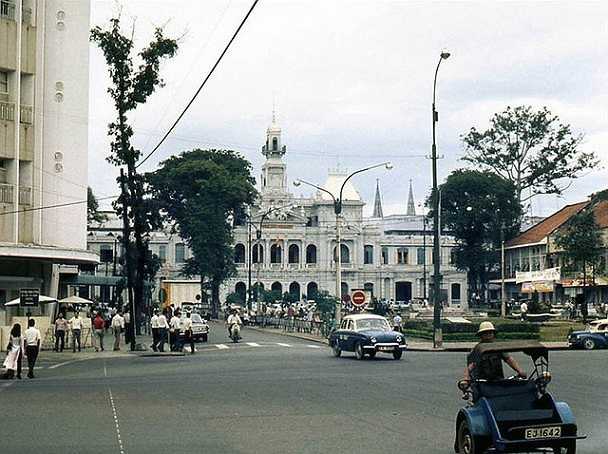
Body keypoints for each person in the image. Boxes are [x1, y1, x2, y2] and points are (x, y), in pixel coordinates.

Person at [463, 322, 526, 394]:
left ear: (493, 334)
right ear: (481, 335)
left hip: (498, 380)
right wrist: (466, 378)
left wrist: (519, 371)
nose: (488, 335)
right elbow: (470, 366)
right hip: (482, 383)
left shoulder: (497, 348)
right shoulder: (477, 349)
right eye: (485, 333)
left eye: (490, 333)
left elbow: (509, 359)